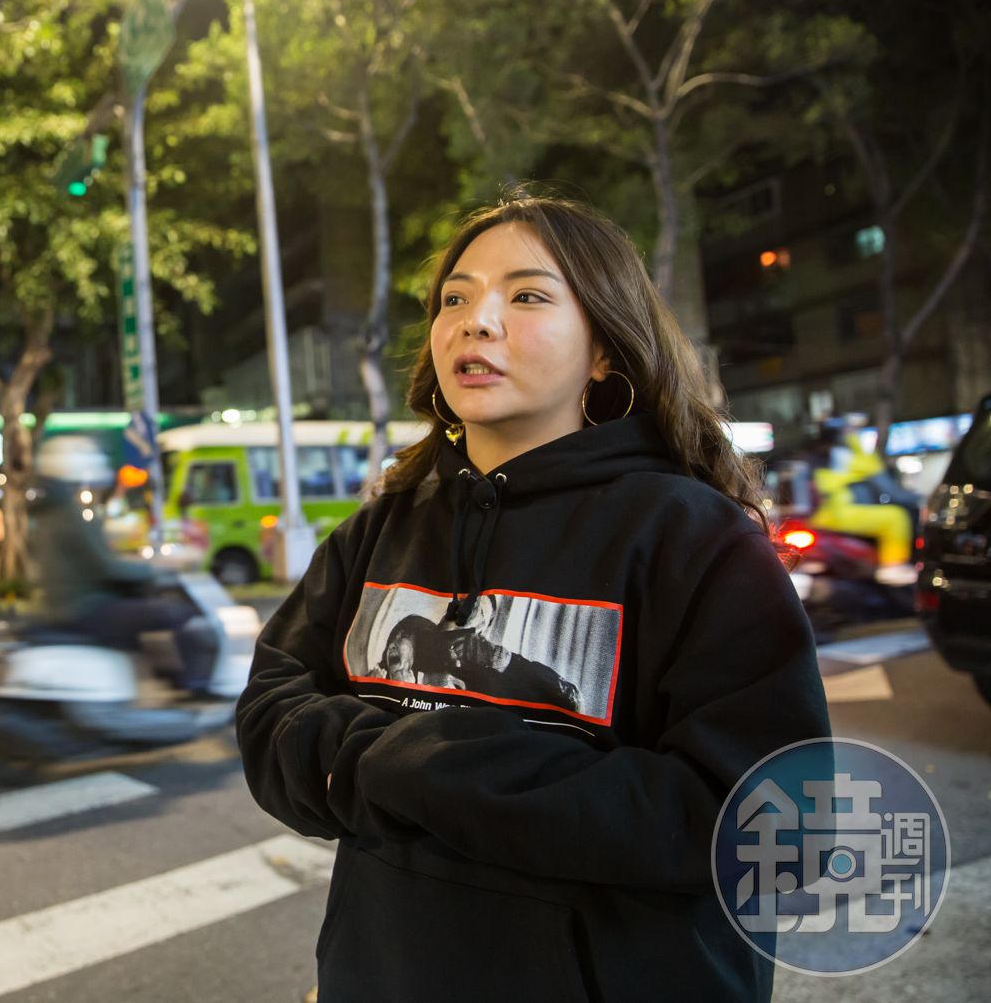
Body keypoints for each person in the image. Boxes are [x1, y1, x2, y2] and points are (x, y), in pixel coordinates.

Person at [236, 189, 831, 1002]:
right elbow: (271, 713)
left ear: (604, 349)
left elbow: (773, 825)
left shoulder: (694, 538)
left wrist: (429, 767)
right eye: (455, 299)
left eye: (526, 297)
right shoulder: (381, 529)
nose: (476, 322)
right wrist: (388, 763)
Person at [28, 435, 218, 695]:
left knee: (149, 612)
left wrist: (138, 564)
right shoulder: (70, 515)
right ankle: (192, 687)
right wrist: (156, 568)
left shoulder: (50, 513)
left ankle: (163, 682)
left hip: (71, 605)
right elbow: (106, 568)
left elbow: (94, 561)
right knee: (175, 614)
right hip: (87, 608)